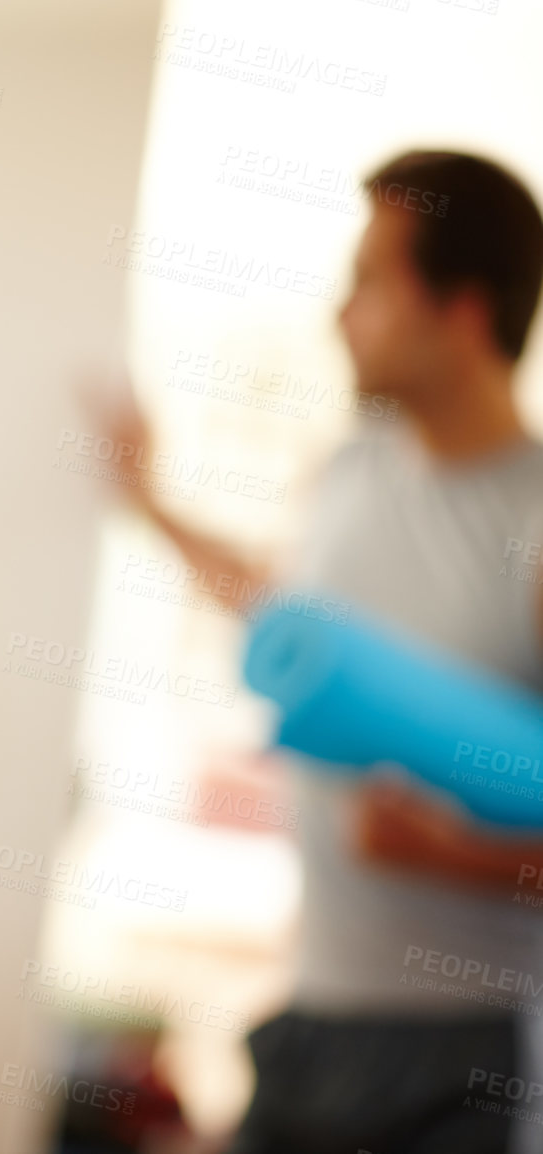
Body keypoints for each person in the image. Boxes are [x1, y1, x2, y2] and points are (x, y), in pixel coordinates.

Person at [108, 150, 543, 1152]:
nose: (339, 315)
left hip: (469, 1051)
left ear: (463, 311)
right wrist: (142, 497)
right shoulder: (348, 473)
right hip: (313, 1013)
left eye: (369, 286)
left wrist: (453, 853)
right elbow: (281, 614)